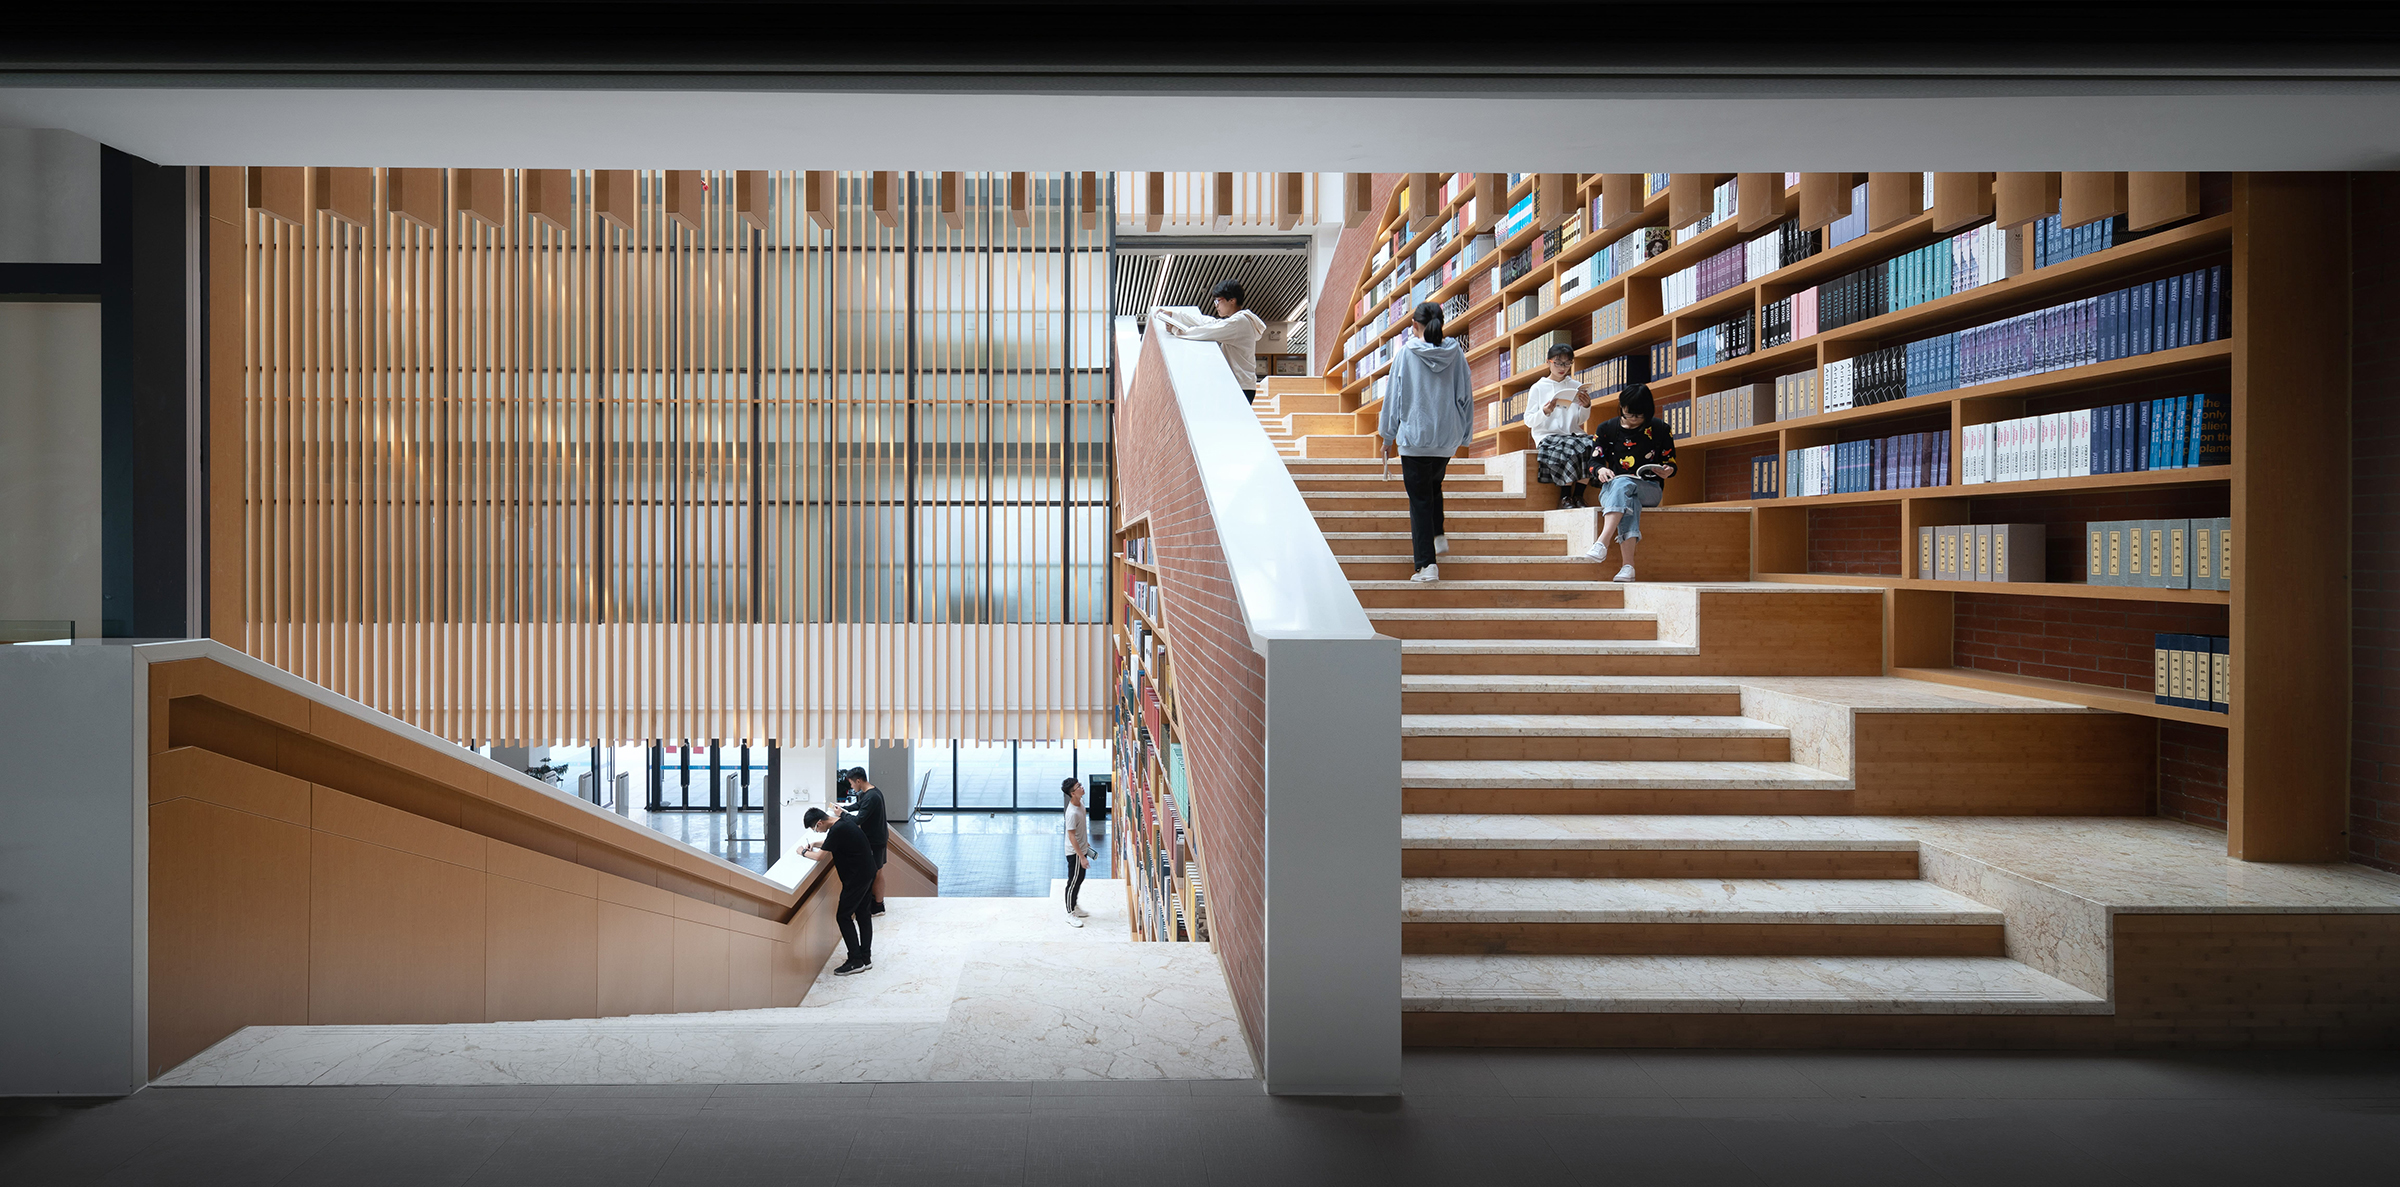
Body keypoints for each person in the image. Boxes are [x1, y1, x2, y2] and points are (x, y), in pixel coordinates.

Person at [1376, 301, 1473, 583]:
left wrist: (1387, 436)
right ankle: (1438, 534)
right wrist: (1464, 436)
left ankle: (1426, 565)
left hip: (1415, 436)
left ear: (1414, 326)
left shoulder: (1406, 354)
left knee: (1419, 500)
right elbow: (1465, 396)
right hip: (1446, 437)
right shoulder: (1457, 354)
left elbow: (1394, 397)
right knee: (1433, 485)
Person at [1580, 383, 1678, 582]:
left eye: (1639, 416)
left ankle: (1602, 541)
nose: (1633, 420)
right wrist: (1601, 470)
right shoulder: (1606, 428)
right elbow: (1594, 461)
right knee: (1628, 496)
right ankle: (1628, 567)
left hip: (1650, 489)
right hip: (1613, 489)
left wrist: (1668, 470)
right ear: (1621, 408)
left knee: (1626, 484)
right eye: (1628, 414)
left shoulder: (1660, 429)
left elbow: (1671, 461)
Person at [1150, 281, 1268, 403]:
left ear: (1232, 300)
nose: (1216, 305)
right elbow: (1210, 322)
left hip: (1240, 386)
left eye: (1218, 301)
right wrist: (1174, 315)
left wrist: (1176, 330)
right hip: (1243, 385)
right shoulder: (1238, 321)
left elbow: (1207, 332)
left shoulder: (1238, 322)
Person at [800, 806, 877, 975]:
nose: (817, 832)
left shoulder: (837, 830)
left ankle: (855, 961)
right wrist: (816, 843)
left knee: (843, 916)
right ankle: (865, 957)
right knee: (863, 914)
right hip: (867, 872)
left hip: (856, 878)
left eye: (815, 828)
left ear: (820, 822)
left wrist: (804, 852)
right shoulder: (843, 823)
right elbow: (833, 842)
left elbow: (820, 856)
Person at [1524, 345, 1593, 507]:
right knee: (1567, 447)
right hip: (1547, 436)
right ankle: (1565, 497)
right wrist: (1545, 412)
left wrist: (1586, 406)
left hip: (1573, 433)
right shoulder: (1538, 388)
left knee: (1593, 445)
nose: (1563, 368)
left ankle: (1578, 496)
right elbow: (1528, 420)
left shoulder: (1576, 385)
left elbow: (1580, 420)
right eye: (1558, 363)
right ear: (1548, 362)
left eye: (1567, 363)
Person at [838, 767, 889, 917]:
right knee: (877, 871)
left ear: (858, 781)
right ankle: (876, 904)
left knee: (876, 872)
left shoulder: (871, 796)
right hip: (877, 838)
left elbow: (858, 819)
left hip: (875, 841)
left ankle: (878, 906)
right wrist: (844, 809)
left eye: (852, 784)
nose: (852, 787)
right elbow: (859, 806)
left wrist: (842, 815)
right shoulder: (871, 793)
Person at [1061, 777, 1095, 927]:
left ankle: (1074, 905)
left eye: (1080, 785)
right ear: (1072, 793)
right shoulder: (1072, 813)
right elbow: (1071, 836)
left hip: (1081, 848)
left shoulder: (1080, 803)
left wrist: (1085, 842)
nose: (1082, 787)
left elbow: (1080, 829)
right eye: (1078, 787)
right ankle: (1070, 913)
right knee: (1073, 881)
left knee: (1079, 879)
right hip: (1075, 853)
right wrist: (1082, 856)